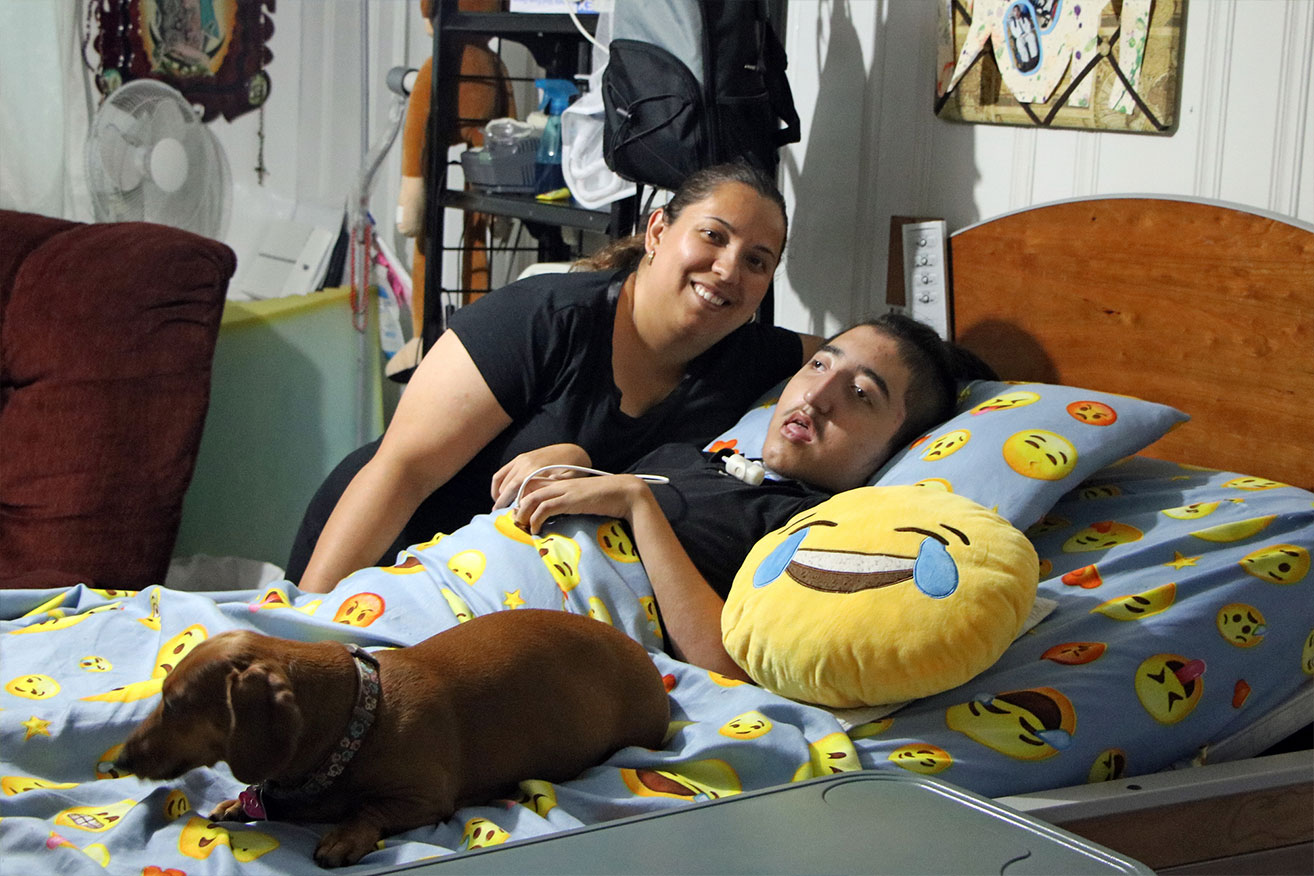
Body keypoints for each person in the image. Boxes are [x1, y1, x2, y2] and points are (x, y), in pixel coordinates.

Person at [308, 314, 992, 679]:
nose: (816, 394)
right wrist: (572, 461)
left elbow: (723, 665)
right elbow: (607, 490)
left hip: (483, 652)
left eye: (861, 394)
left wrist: (637, 505)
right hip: (426, 585)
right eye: (820, 364)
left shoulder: (814, 531)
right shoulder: (706, 456)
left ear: (895, 450)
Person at [293, 162, 823, 594]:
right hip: (384, 545)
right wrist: (304, 625)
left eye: (756, 261)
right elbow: (401, 472)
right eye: (713, 236)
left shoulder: (750, 358)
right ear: (658, 231)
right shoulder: (542, 319)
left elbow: (855, 360)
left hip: (498, 596)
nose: (729, 270)